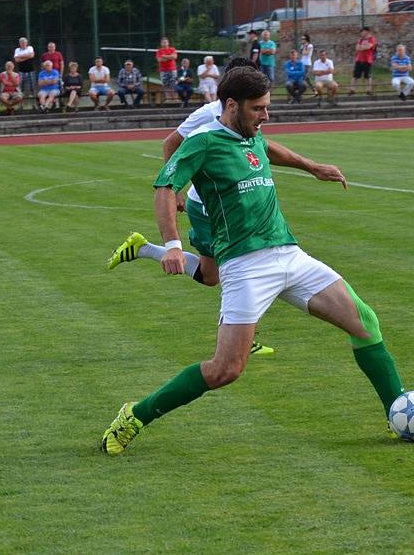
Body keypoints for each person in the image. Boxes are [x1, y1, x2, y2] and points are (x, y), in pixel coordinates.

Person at [100, 66, 414, 456]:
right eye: (259, 109)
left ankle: (399, 414)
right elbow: (164, 186)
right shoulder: (203, 142)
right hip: (244, 266)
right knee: (226, 370)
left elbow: (268, 149)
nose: (266, 116)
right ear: (232, 105)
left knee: (364, 321)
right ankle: (135, 415)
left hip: (290, 254)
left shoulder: (250, 135)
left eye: (268, 108)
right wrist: (171, 243)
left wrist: (311, 167)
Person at [106, 58, 300, 361]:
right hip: (209, 206)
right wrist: (178, 188)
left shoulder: (247, 120)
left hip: (227, 202)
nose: (263, 111)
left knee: (212, 276)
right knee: (238, 264)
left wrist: (311, 167)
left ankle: (143, 249)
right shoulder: (210, 114)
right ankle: (240, 339)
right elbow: (171, 143)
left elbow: (262, 144)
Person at [349, 26, 376, 96]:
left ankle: (368, 90)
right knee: (355, 75)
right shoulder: (360, 40)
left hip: (367, 60)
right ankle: (352, 90)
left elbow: (369, 47)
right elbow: (357, 48)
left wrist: (362, 47)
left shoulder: (372, 39)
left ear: (367, 31)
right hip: (359, 59)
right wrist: (363, 47)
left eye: (362, 31)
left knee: (367, 76)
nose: (361, 33)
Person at [14, 37, 36, 103]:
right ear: (20, 43)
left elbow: (32, 55)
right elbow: (16, 60)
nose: (23, 44)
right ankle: (21, 102)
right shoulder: (17, 50)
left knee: (32, 86)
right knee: (21, 87)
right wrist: (27, 56)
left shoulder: (30, 48)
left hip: (31, 70)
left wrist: (21, 57)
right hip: (21, 70)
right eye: (22, 42)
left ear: (26, 43)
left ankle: (33, 102)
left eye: (24, 42)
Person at [156, 37, 178, 102]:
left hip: (172, 69)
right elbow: (159, 59)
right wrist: (170, 57)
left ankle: (175, 99)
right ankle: (168, 99)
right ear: (161, 43)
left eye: (166, 42)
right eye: (163, 42)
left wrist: (164, 56)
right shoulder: (159, 51)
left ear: (168, 43)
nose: (165, 43)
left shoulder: (172, 49)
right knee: (166, 85)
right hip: (163, 70)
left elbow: (174, 57)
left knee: (174, 84)